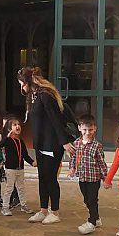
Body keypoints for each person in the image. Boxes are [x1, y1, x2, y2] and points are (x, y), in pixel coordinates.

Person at [17, 66, 74, 225]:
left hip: (52, 144)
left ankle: (54, 212)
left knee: (50, 179)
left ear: (27, 81)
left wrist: (64, 142)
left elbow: (56, 120)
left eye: (21, 83)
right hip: (41, 144)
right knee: (42, 178)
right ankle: (43, 210)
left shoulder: (45, 96)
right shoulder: (34, 96)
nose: (21, 87)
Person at [67, 114, 108, 235]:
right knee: (87, 199)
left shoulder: (97, 146)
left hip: (94, 179)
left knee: (92, 200)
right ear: (79, 128)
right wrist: (72, 168)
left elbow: (101, 163)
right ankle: (97, 218)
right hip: (82, 177)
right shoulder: (76, 143)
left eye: (90, 129)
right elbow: (73, 158)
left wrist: (106, 178)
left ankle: (91, 222)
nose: (87, 132)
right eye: (85, 129)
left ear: (95, 129)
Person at [0, 117, 34, 216]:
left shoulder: (21, 141)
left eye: (18, 124)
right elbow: (0, 145)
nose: (18, 126)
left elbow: (25, 155)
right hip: (10, 169)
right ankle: (5, 207)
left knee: (21, 188)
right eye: (14, 125)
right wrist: (7, 137)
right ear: (9, 129)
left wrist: (32, 162)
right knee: (9, 188)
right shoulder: (8, 141)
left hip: (20, 169)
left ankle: (23, 205)